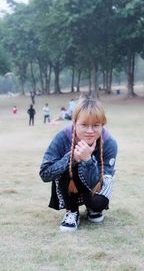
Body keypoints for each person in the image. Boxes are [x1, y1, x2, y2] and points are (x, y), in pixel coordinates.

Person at [39, 96, 118, 232]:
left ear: (102, 124)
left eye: (96, 125)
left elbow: (104, 182)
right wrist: (72, 157)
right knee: (68, 167)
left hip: (94, 187)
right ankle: (72, 211)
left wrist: (88, 160)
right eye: (84, 125)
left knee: (100, 202)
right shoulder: (62, 137)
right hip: (69, 184)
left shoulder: (109, 143)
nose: (90, 131)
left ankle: (92, 208)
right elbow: (45, 174)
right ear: (74, 123)